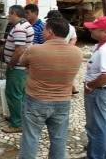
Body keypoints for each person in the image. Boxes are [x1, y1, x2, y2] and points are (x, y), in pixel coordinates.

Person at [18, 17, 83, 159]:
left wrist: (32, 68)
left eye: (43, 29)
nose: (41, 31)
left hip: (36, 101)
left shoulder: (35, 49)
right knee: (59, 139)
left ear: (50, 31)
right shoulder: (77, 52)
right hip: (63, 101)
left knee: (30, 138)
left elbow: (22, 62)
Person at [83, 16, 106, 159]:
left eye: (94, 28)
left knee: (95, 129)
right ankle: (104, 155)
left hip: (100, 92)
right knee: (105, 125)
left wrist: (90, 85)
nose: (90, 30)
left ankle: (95, 156)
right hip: (104, 92)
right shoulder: (104, 46)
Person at [2, 5, 34, 133]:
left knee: (13, 94)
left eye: (9, 14)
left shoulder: (20, 28)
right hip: (22, 67)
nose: (8, 16)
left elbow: (19, 50)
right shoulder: (26, 25)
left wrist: (11, 64)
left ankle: (16, 124)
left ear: (14, 13)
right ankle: (18, 117)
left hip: (17, 67)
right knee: (20, 94)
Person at [45, 10, 79, 94]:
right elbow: (74, 38)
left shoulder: (50, 27)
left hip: (53, 51)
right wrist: (69, 48)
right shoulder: (70, 26)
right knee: (66, 72)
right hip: (66, 51)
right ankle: (71, 88)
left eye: (48, 18)